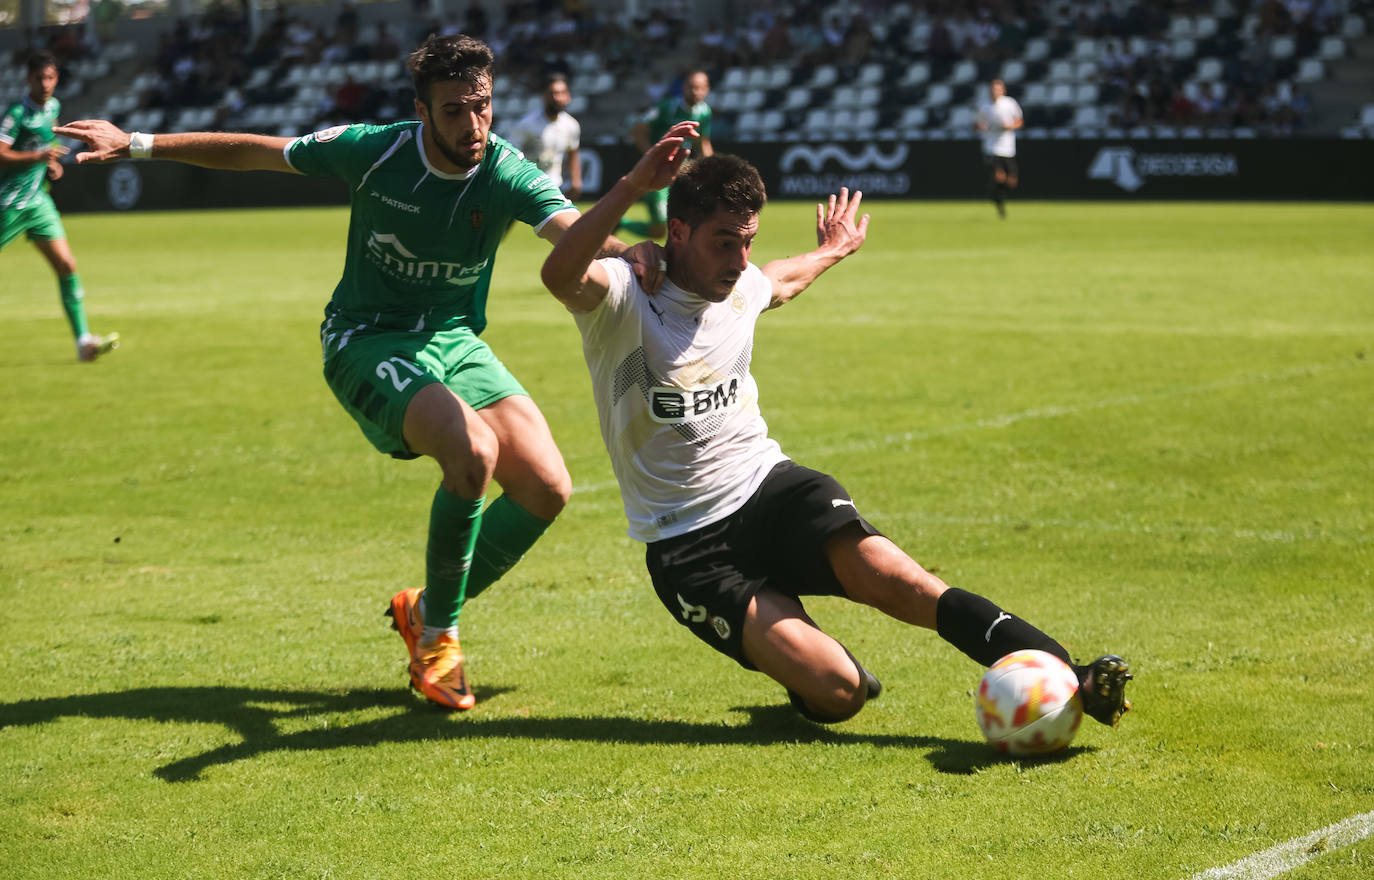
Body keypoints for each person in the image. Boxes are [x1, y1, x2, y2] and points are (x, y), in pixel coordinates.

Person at [56, 34, 664, 712]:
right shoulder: (375, 151)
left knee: (548, 488)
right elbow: (255, 152)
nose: (474, 126)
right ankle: (439, 640)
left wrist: (630, 248)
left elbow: (571, 231)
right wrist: (137, 142)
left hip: (453, 340)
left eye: (483, 107)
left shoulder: (507, 170)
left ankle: (424, 608)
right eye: (456, 111)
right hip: (365, 340)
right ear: (422, 111)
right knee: (474, 453)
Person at [540, 123, 1134, 727]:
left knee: (906, 583)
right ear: (678, 231)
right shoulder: (625, 295)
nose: (739, 259)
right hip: (688, 543)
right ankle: (811, 665)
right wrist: (632, 185)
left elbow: (783, 278)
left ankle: (1072, 673)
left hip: (768, 487)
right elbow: (559, 275)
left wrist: (835, 249)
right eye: (723, 242)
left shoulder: (742, 284)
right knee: (841, 693)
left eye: (747, 240)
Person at [1, 51, 119, 362]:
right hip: (9, 203)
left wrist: (50, 167)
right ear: (28, 79)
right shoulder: (17, 114)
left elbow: (45, 151)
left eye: (51, 77)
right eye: (39, 78)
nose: (46, 83)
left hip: (38, 202)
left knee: (67, 266)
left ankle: (84, 342)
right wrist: (37, 158)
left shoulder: (53, 108)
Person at [616, 70, 712, 240]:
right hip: (657, 173)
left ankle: (620, 223)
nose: (695, 92)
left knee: (660, 231)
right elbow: (638, 127)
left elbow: (703, 141)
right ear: (683, 88)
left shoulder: (704, 112)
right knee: (663, 222)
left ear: (707, 89)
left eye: (700, 88)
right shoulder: (666, 107)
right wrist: (651, 156)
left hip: (681, 173)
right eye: (692, 87)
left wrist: (712, 169)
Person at [507, 73, 581, 200]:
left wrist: (576, 182)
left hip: (554, 186)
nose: (557, 98)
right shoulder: (526, 125)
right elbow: (511, 154)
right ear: (544, 96)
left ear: (568, 96)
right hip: (526, 185)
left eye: (561, 93)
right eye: (552, 93)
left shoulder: (571, 125)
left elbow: (573, 152)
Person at [975, 78, 1023, 219]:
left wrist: (1010, 126)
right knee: (999, 176)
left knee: (1011, 181)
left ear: (1003, 90)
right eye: (993, 89)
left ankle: (994, 195)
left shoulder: (1010, 104)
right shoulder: (984, 106)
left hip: (1007, 148)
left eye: (998, 89)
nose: (995, 92)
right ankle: (999, 204)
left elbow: (1019, 121)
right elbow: (977, 124)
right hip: (991, 147)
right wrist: (981, 127)